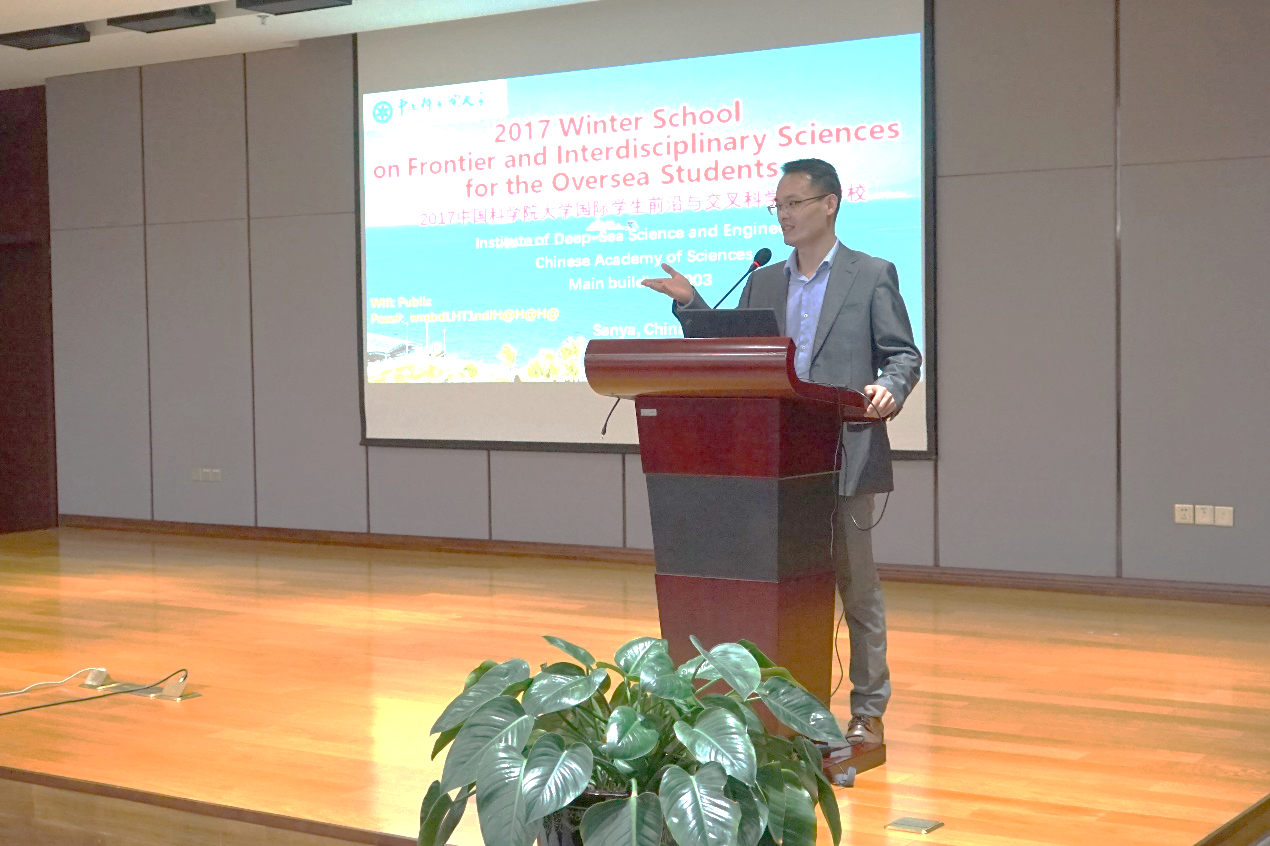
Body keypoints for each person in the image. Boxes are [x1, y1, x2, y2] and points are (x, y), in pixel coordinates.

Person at [641, 158, 921, 745]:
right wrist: (693, 305)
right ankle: (780, 710)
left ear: (830, 204)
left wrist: (890, 389)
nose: (784, 215)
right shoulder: (764, 279)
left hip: (843, 454)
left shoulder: (872, 274)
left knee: (856, 587)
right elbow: (737, 353)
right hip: (773, 463)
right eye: (778, 205)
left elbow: (902, 355)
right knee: (779, 588)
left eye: (794, 203)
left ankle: (868, 711)